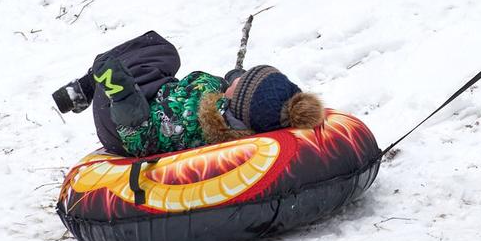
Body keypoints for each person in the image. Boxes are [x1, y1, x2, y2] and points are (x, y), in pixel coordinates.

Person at [52, 30, 325, 157]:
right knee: (162, 48)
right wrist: (233, 78)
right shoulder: (230, 108)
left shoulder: (195, 127)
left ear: (236, 102)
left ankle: (90, 85)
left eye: (239, 84)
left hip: (123, 119)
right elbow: (236, 87)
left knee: (114, 61)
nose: (234, 82)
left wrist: (121, 92)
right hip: (158, 91)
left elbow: (141, 138)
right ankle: (92, 83)